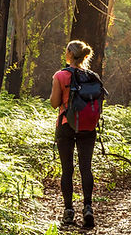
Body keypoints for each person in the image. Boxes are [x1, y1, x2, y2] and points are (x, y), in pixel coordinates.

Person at [50, 40, 97, 228]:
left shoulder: (60, 76)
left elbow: (54, 103)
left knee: (67, 169)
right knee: (86, 167)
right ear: (85, 55)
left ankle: (68, 211)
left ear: (69, 54)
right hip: (88, 127)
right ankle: (88, 208)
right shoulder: (93, 76)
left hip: (66, 125)